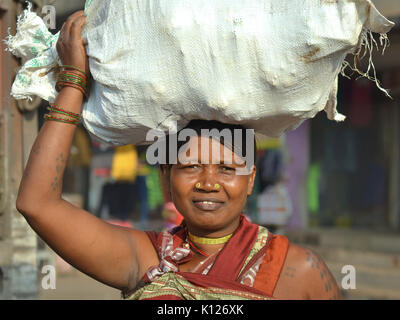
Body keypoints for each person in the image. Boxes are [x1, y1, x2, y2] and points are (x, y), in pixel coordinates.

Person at [16, 11, 342, 300]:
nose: (209, 183)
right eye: (190, 167)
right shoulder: (143, 258)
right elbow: (37, 204)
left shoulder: (299, 270)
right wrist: (73, 83)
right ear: (165, 177)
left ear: (251, 178)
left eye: (228, 168)